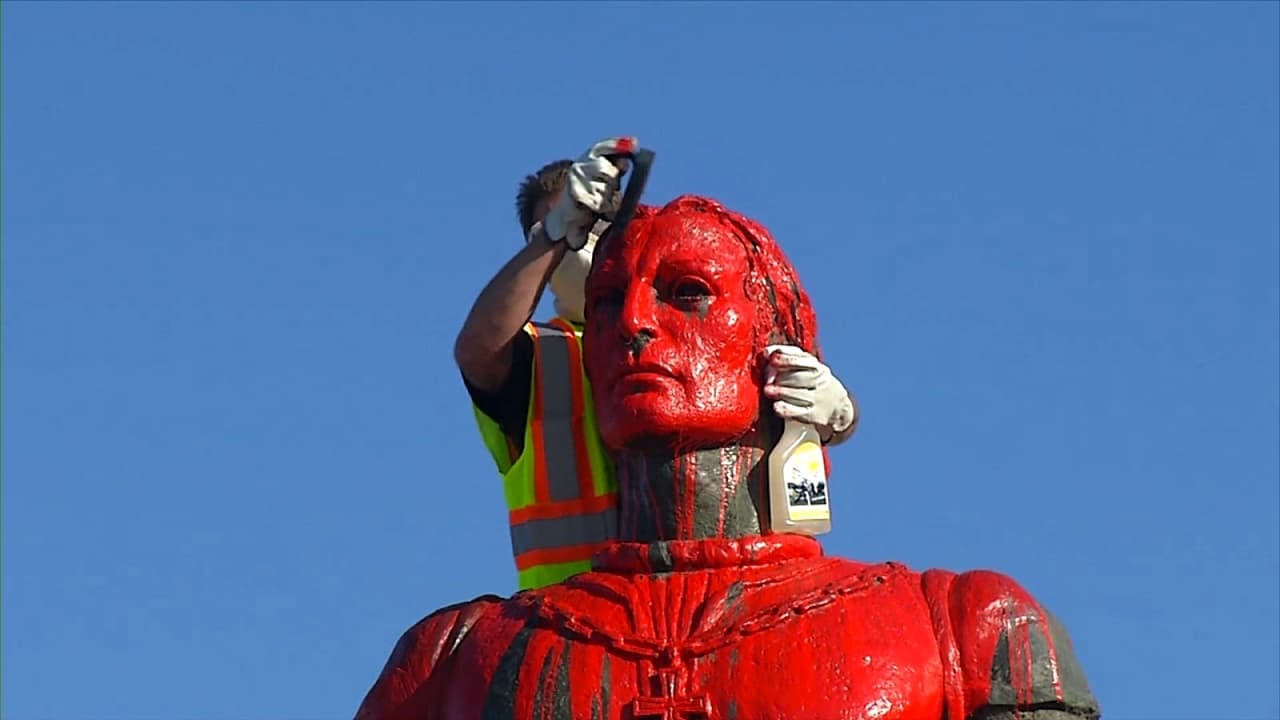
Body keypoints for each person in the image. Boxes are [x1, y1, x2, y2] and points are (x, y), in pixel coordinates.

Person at [354, 195, 1101, 720]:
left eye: (686, 293)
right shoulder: (450, 662)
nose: (636, 324)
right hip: (563, 615)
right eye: (612, 300)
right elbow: (478, 348)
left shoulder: (968, 630)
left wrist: (837, 413)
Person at [453, 137, 860, 590]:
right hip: (578, 614)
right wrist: (552, 237)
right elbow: (478, 351)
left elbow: (795, 408)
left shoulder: (699, 321)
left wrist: (839, 415)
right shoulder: (541, 357)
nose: (579, 244)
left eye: (593, 225)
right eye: (565, 227)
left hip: (735, 593)